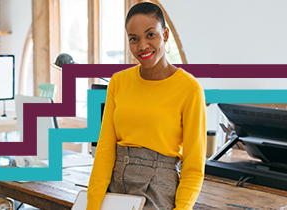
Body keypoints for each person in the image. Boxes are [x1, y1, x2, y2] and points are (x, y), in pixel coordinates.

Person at [86, 2, 206, 210]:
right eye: (134, 39)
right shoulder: (118, 82)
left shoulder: (190, 89)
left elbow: (194, 166)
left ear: (165, 35)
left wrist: (182, 208)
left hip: (159, 188)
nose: (142, 46)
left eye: (150, 35)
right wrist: (92, 204)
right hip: (116, 184)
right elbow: (105, 149)